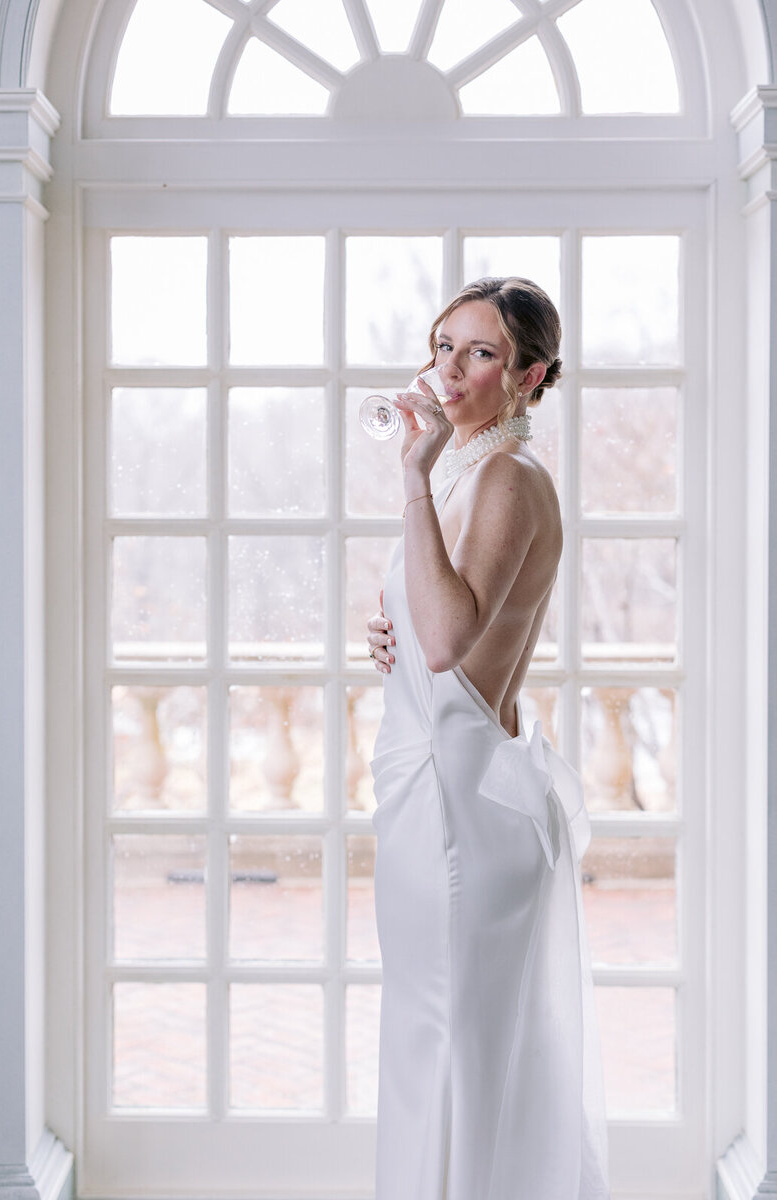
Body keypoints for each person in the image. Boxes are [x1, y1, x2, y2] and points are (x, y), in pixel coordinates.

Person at [365, 277, 610, 1200]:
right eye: (443, 346)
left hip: (461, 806)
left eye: (481, 353)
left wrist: (411, 479)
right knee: (430, 1034)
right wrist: (382, 631)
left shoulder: (505, 476)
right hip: (432, 789)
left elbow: (448, 640)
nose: (450, 369)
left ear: (529, 375)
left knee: (455, 1045)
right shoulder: (471, 465)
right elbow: (430, 629)